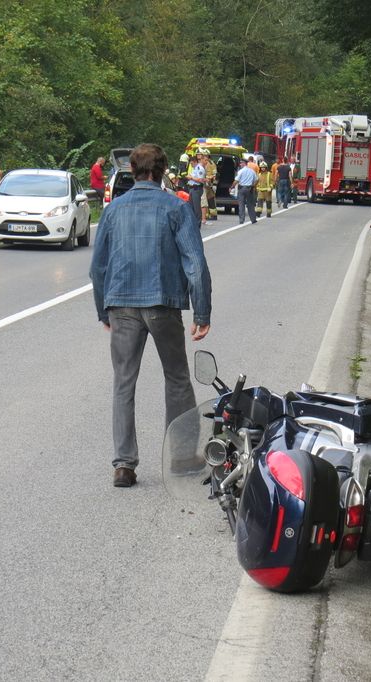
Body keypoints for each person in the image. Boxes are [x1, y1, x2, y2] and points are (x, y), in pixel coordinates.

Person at [90, 143, 212, 488]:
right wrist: (201, 310)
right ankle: (183, 457)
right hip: (163, 304)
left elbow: (97, 268)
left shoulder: (114, 211)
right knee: (176, 378)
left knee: (123, 382)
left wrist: (104, 309)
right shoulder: (176, 208)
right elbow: (195, 263)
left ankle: (124, 465)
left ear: (131, 170)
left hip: (122, 305)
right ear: (162, 172)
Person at [232, 157, 258, 224]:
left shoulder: (241, 171)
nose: (240, 164)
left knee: (241, 205)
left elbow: (236, 180)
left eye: (241, 163)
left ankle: (241, 220)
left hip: (242, 189)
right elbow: (256, 180)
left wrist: (232, 187)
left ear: (245, 163)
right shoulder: (252, 171)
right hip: (250, 189)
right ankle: (253, 219)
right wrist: (253, 185)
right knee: (251, 205)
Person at [186, 150, 208, 225]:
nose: (191, 164)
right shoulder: (195, 169)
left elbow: (201, 180)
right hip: (192, 188)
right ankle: (193, 222)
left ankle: (198, 223)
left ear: (195, 161)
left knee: (196, 208)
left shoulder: (200, 169)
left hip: (197, 189)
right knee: (191, 207)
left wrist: (191, 178)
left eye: (191, 163)